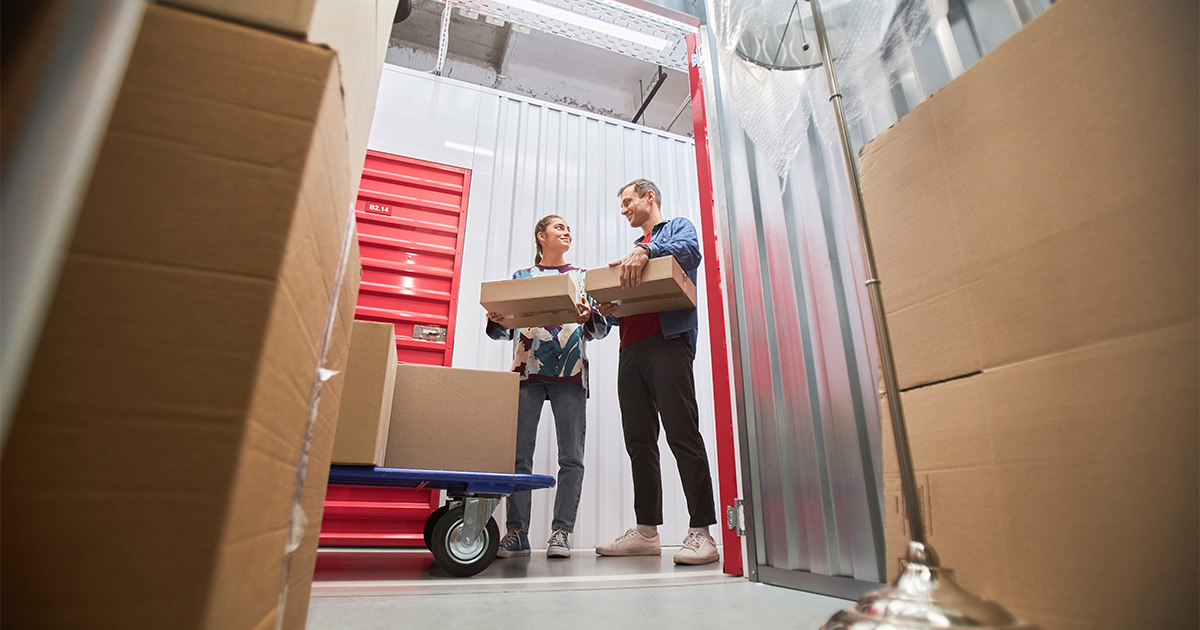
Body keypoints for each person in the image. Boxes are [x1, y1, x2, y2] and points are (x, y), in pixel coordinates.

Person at [594, 178, 719, 566]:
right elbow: (630, 305)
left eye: (628, 201)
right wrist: (605, 310)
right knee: (639, 442)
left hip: (667, 344)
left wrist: (647, 249)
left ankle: (702, 533)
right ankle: (647, 531)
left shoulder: (675, 228)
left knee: (682, 433)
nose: (624, 209)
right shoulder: (634, 252)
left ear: (650, 198)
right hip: (629, 348)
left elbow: (689, 251)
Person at [486, 214, 610, 559]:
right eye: (559, 227)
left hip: (570, 374)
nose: (567, 231)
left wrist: (591, 318)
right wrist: (495, 318)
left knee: (571, 458)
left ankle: (561, 533)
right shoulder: (521, 278)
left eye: (569, 228)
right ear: (541, 236)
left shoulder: (582, 278)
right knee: (518, 457)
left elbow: (600, 331)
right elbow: (503, 331)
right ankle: (517, 532)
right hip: (527, 373)